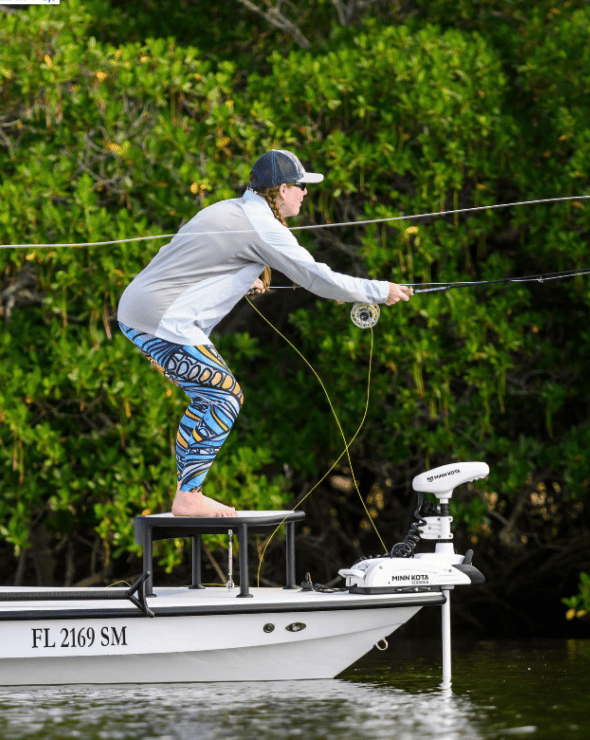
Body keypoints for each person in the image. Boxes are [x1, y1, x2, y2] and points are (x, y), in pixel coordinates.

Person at [117, 149, 413, 517]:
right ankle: (188, 496)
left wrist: (238, 278)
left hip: (141, 312)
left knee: (209, 397)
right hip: (159, 318)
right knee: (224, 396)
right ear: (282, 189)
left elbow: (192, 260)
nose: (305, 194)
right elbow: (316, 277)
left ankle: (187, 493)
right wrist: (379, 291)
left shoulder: (232, 211)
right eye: (301, 187)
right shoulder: (261, 226)